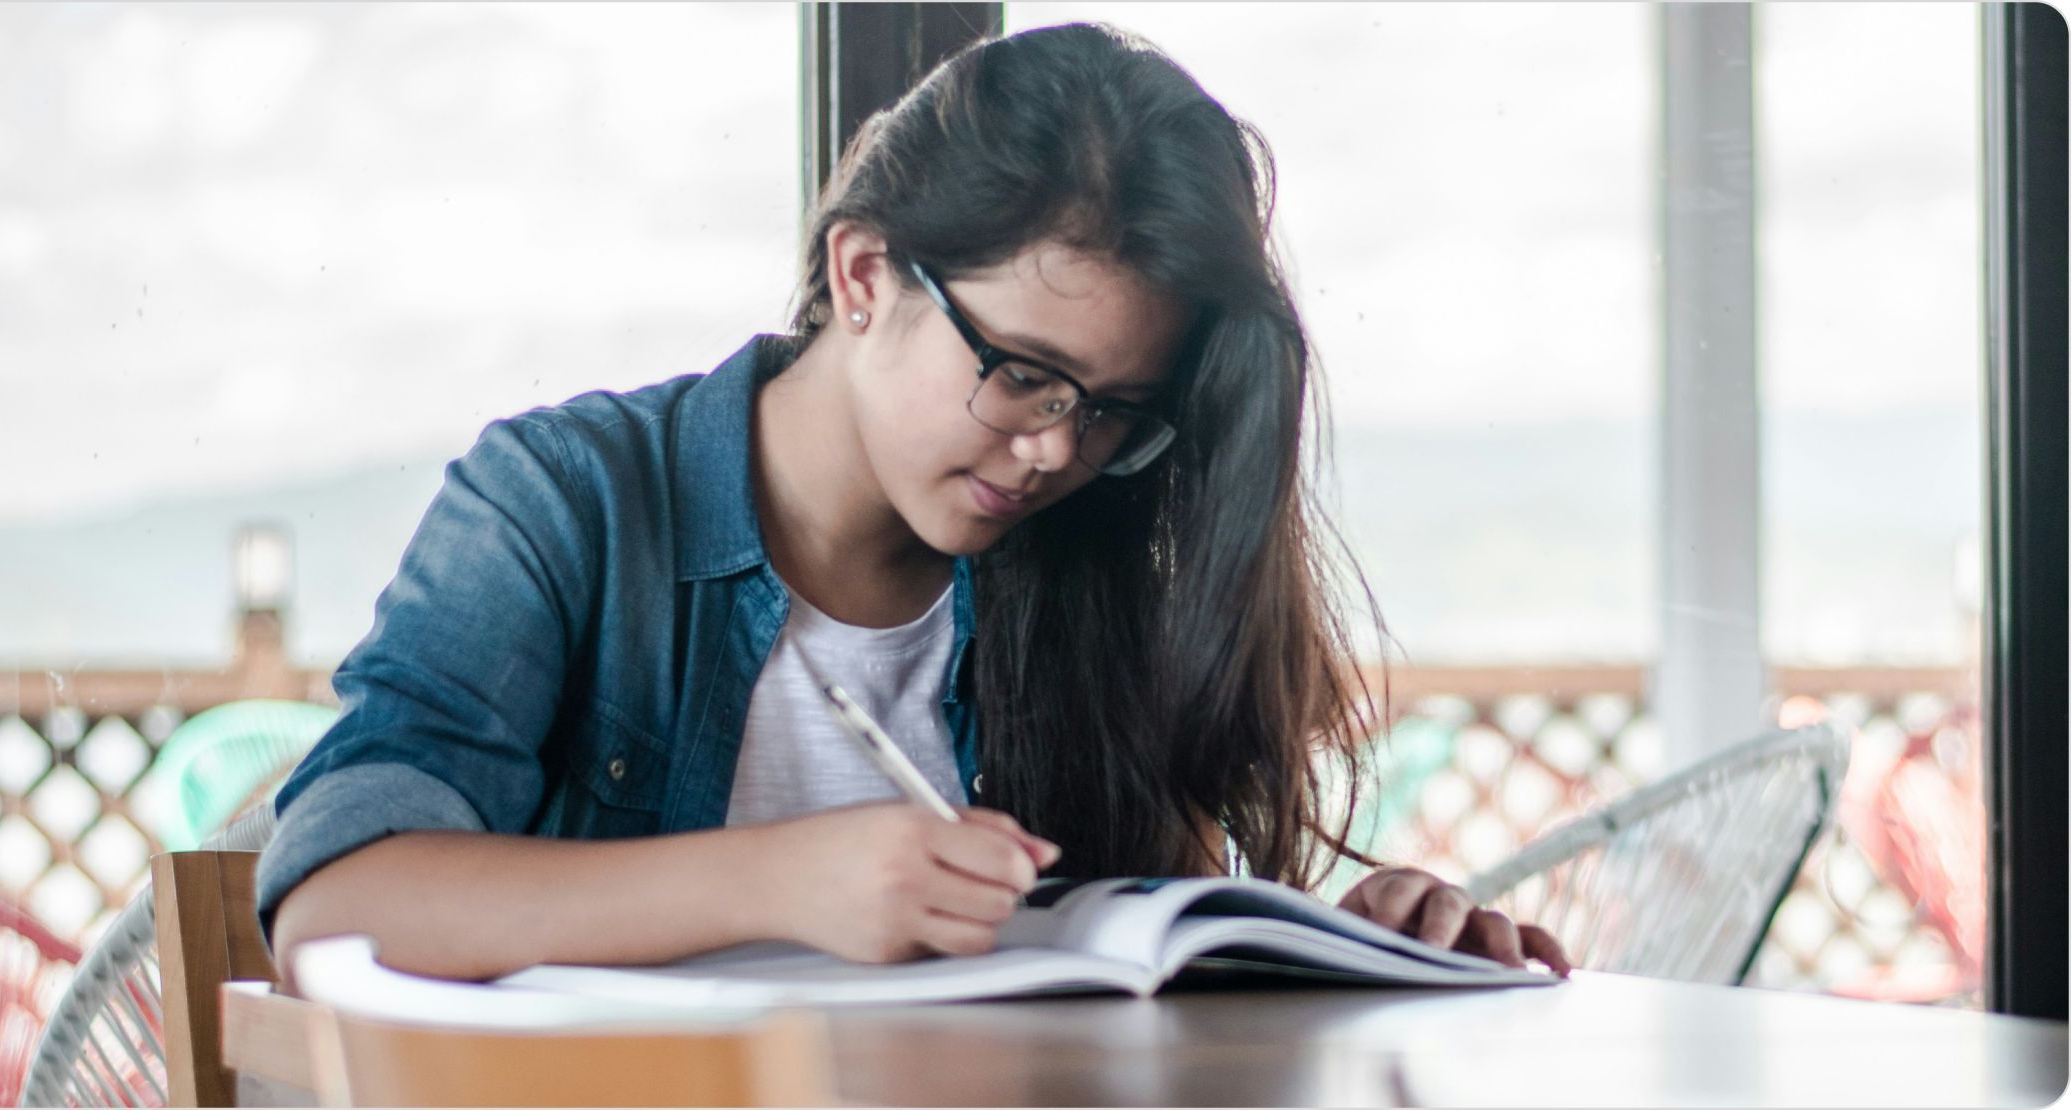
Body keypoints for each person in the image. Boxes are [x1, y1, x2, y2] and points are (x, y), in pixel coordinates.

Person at [258, 21, 1571, 983]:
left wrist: (1356, 939)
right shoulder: (569, 501)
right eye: (1024, 375)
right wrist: (786, 875)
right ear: (868, 271)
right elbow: (336, 899)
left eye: (1111, 407)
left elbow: (1139, 968)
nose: (1057, 450)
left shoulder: (1078, 559)